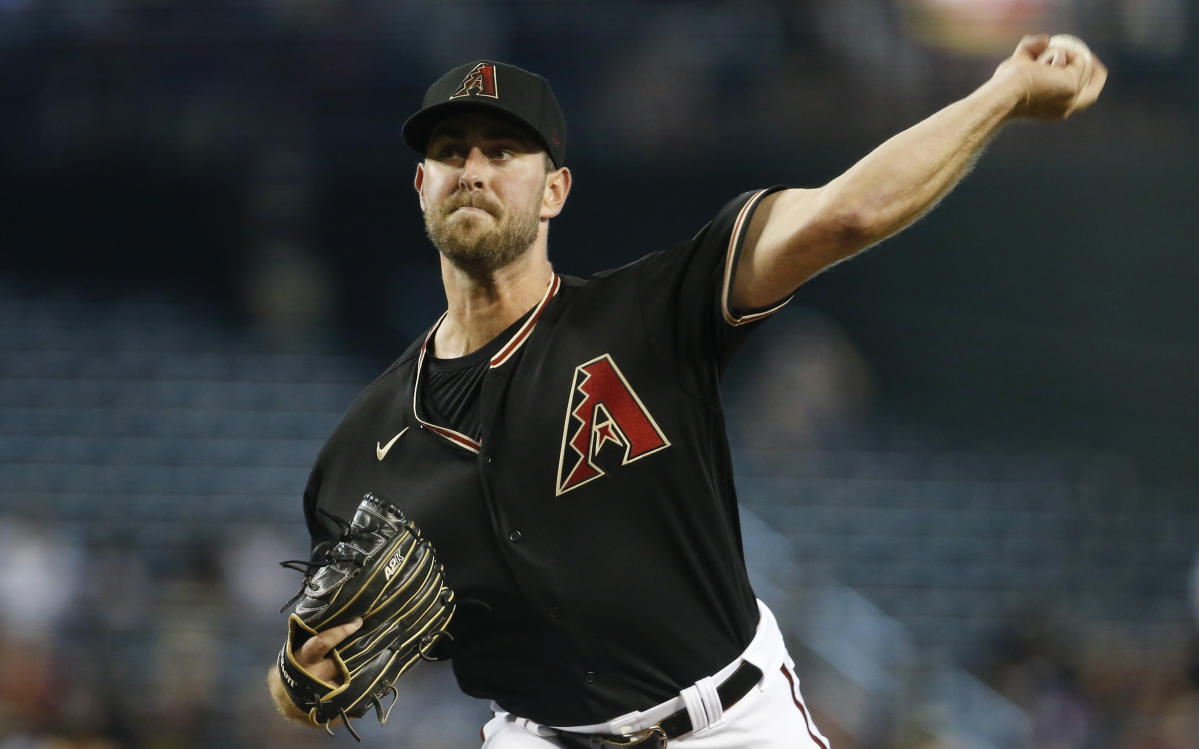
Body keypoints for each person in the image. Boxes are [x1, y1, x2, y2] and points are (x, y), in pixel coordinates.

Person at [267, 36, 1106, 748]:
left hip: (729, 723)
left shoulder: (651, 312)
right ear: (421, 187)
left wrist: (1002, 94)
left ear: (554, 188)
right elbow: (305, 677)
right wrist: (296, 679)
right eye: (450, 152)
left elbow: (842, 215)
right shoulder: (361, 447)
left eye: (502, 150)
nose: (473, 169)